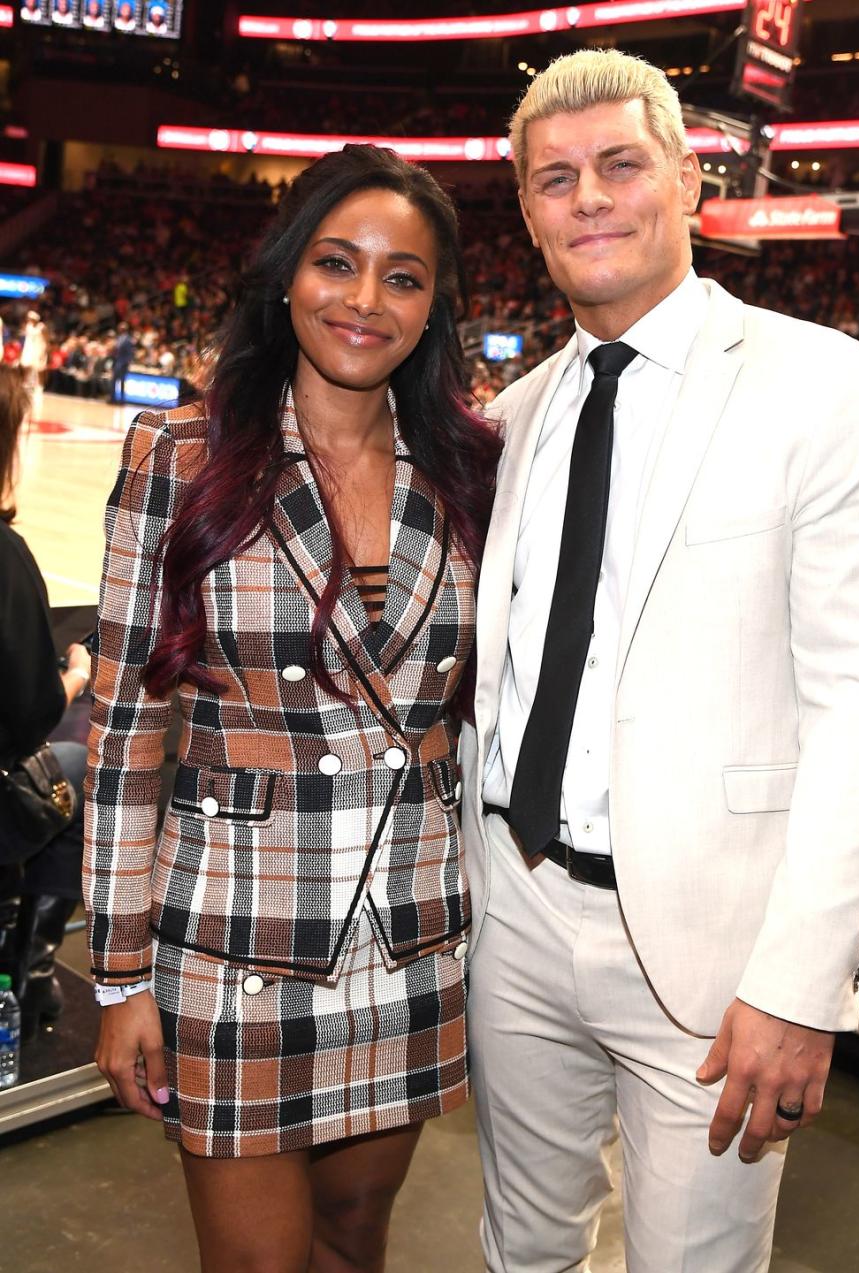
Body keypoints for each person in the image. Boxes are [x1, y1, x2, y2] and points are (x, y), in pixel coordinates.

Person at [460, 49, 859, 1272]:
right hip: (510, 904)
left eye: (622, 165)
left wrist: (799, 983)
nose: (591, 198)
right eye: (555, 178)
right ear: (526, 210)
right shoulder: (513, 417)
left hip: (718, 954)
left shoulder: (827, 387)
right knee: (521, 1247)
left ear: (688, 180)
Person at [84, 144, 500, 1273]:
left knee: (357, 1236)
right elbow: (127, 732)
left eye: (403, 277)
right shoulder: (182, 457)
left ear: (433, 308)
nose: (366, 300)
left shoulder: (473, 470)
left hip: (408, 933)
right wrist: (119, 975)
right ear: (286, 275)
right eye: (337, 262)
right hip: (233, 941)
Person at [0, 365, 91, 1038]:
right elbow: (27, 711)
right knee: (83, 760)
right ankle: (28, 969)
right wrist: (77, 676)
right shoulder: (6, 557)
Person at [18, 311, 47, 422]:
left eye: (31, 318)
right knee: (26, 370)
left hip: (39, 351)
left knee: (39, 372)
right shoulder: (28, 327)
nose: (29, 320)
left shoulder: (42, 327)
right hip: (29, 351)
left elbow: (46, 341)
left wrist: (44, 354)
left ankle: (39, 389)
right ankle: (26, 387)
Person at [110, 322, 134, 404]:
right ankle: (112, 398)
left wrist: (127, 362)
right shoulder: (118, 338)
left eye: (121, 328)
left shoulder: (128, 339)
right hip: (116, 362)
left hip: (123, 363)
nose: (119, 329)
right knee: (114, 381)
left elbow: (130, 353)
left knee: (122, 382)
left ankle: (122, 400)